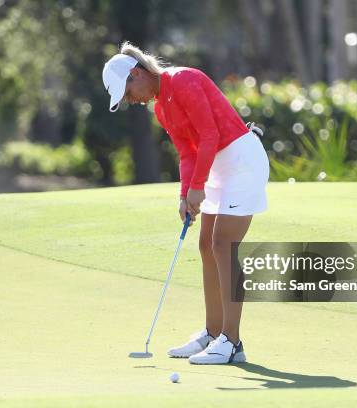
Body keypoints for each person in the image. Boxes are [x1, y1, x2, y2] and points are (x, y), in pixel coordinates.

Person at [102, 42, 269, 365]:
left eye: (127, 92)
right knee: (207, 244)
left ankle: (232, 343)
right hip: (218, 166)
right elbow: (188, 151)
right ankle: (213, 332)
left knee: (223, 244)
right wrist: (184, 195)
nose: (129, 100)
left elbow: (208, 135)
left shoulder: (184, 81)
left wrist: (197, 187)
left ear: (137, 74)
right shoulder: (161, 107)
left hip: (242, 161)